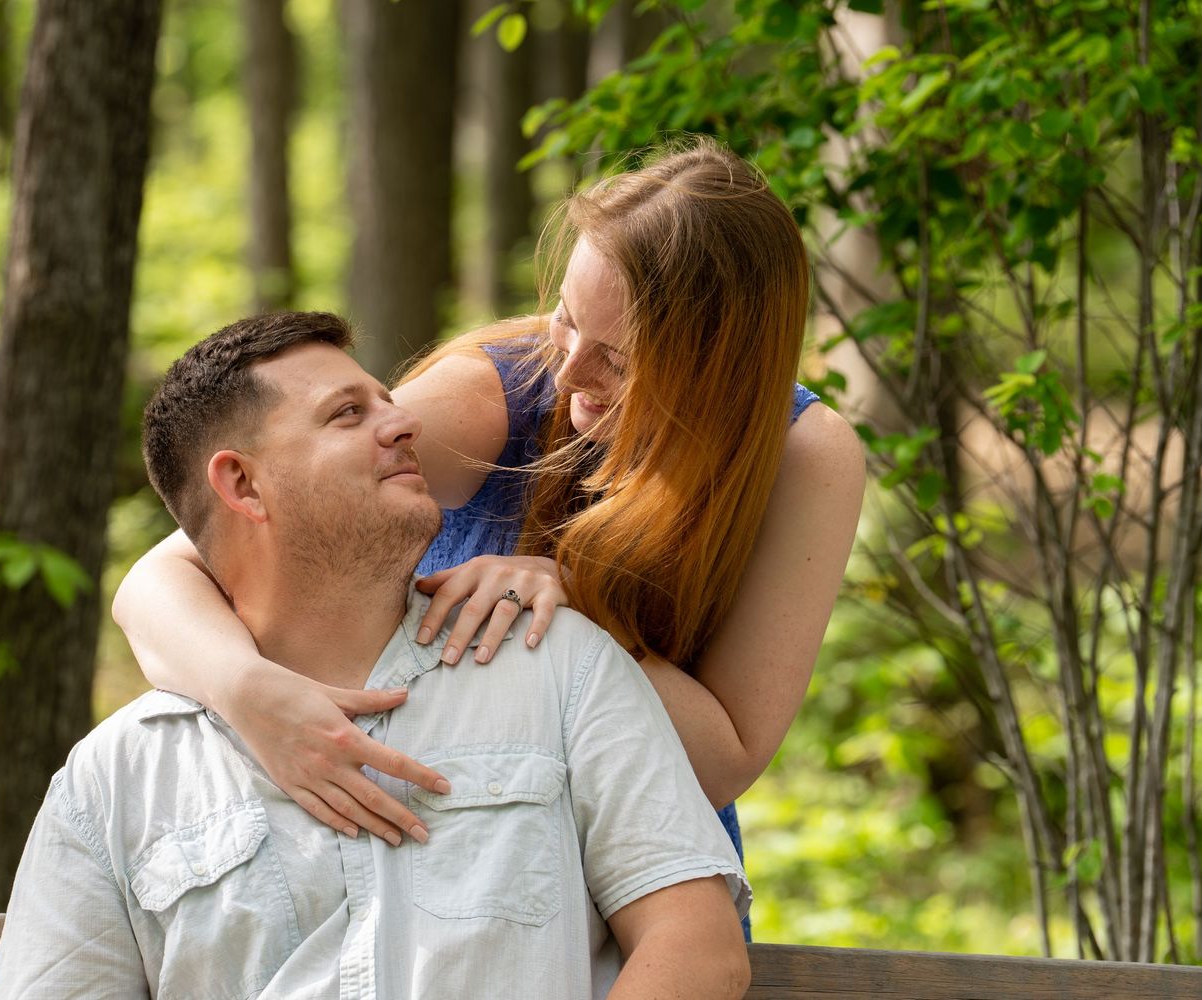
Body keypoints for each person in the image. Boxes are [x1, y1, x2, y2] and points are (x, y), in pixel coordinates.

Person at [112, 141, 865, 932]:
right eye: (565, 320)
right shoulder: (501, 387)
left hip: (634, 895)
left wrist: (575, 605)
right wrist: (249, 695)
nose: (569, 374)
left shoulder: (802, 457)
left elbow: (723, 761)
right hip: (433, 868)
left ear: (719, 369)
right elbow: (163, 579)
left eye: (616, 358)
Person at [0, 312, 752, 999]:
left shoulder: (556, 666)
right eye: (348, 415)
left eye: (390, 402)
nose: (403, 426)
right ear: (243, 484)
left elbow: (698, 949)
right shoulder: (119, 777)